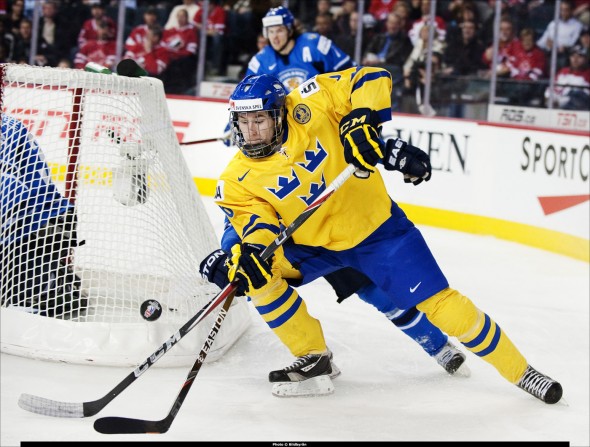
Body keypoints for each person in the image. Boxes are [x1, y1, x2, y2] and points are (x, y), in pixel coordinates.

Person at [202, 67, 563, 404]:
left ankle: (522, 372)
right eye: (244, 122)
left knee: (441, 306)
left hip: (377, 232)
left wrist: (361, 120)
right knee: (256, 274)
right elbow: (258, 225)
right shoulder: (235, 179)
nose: (251, 132)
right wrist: (249, 252)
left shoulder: (311, 102)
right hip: (315, 246)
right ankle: (312, 356)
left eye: (260, 120)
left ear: (280, 113)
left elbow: (372, 76)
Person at [216, 5, 468, 377]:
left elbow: (344, 79)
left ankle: (436, 344)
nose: (274, 35)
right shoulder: (258, 62)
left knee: (374, 287)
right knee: (282, 266)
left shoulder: (315, 44)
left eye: (279, 28)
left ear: (290, 26)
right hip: (294, 188)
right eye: (268, 30)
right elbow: (247, 105)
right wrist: (235, 127)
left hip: (323, 151)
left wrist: (330, 115)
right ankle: (313, 352)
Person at [1, 114, 84, 318]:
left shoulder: (9, 129)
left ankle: (39, 291)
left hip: (37, 224)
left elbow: (15, 192)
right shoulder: (11, 125)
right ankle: (50, 283)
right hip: (46, 219)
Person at [244, 6, 354, 92]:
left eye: (279, 31)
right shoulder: (261, 60)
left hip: (324, 112)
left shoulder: (314, 44)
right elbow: (247, 95)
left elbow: (350, 72)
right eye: (271, 31)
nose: (274, 37)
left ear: (290, 30)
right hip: (286, 117)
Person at [544, 44, 590, 110]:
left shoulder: (588, 74)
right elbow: (552, 88)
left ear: (585, 59)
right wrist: (549, 97)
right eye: (573, 56)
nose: (575, 59)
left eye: (579, 56)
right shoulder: (563, 71)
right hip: (557, 107)